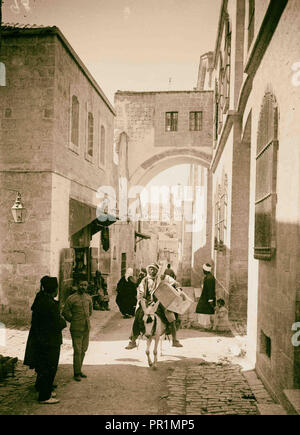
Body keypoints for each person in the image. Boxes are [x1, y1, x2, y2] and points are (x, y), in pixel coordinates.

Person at [24, 276, 66, 404]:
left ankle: (42, 387)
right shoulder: (50, 304)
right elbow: (57, 323)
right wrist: (63, 322)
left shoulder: (40, 298)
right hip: (49, 340)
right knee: (49, 366)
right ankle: (44, 395)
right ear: (54, 290)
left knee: (42, 365)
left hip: (39, 338)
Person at [125, 262, 183, 349]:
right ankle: (133, 341)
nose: (152, 271)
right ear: (148, 270)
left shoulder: (163, 278)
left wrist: (178, 288)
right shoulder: (144, 280)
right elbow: (140, 290)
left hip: (160, 302)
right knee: (137, 316)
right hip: (147, 303)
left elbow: (175, 282)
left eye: (154, 269)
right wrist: (141, 297)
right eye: (150, 269)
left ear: (157, 270)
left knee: (171, 316)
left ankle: (175, 340)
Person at [62, 280, 93, 382]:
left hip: (86, 328)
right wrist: (73, 320)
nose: (83, 287)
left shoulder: (88, 298)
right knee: (77, 350)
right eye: (81, 285)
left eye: (85, 285)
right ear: (77, 286)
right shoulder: (71, 298)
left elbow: (90, 312)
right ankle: (76, 373)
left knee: (84, 349)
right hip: (76, 328)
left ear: (87, 286)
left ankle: (79, 370)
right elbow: (65, 312)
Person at [195, 263, 216, 330]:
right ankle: (206, 326)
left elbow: (210, 289)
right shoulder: (208, 277)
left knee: (205, 312)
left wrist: (210, 299)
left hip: (207, 298)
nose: (202, 270)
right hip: (206, 297)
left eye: (203, 269)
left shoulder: (209, 278)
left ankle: (207, 326)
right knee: (204, 312)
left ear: (205, 270)